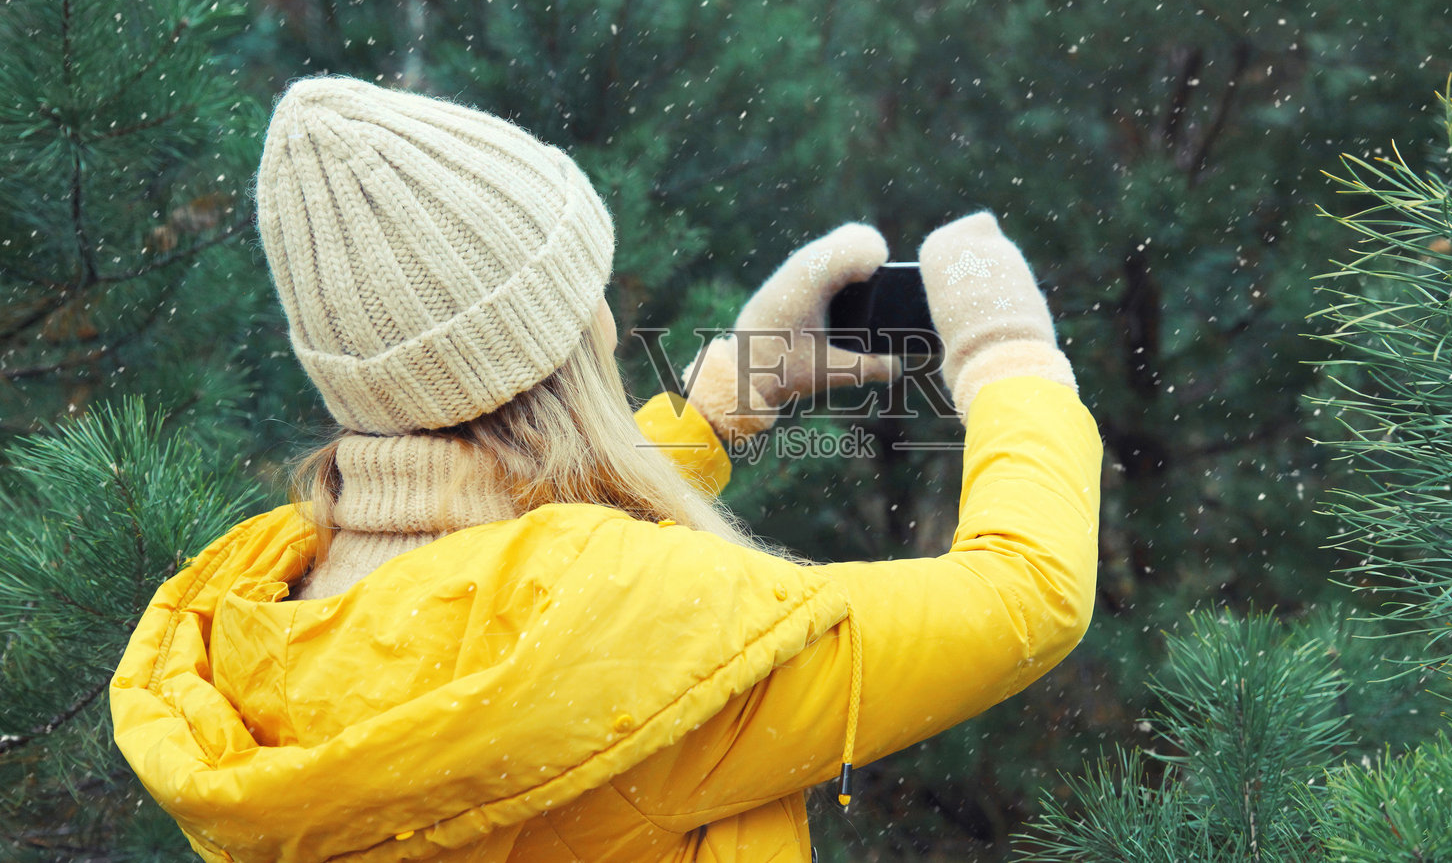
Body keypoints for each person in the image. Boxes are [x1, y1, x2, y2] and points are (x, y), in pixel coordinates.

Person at [110, 76, 1100, 863]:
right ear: (564, 339)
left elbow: (510, 580)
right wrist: (1009, 356)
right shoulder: (661, 634)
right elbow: (1026, 594)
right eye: (589, 292)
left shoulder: (257, 614)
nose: (611, 323)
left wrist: (719, 404)